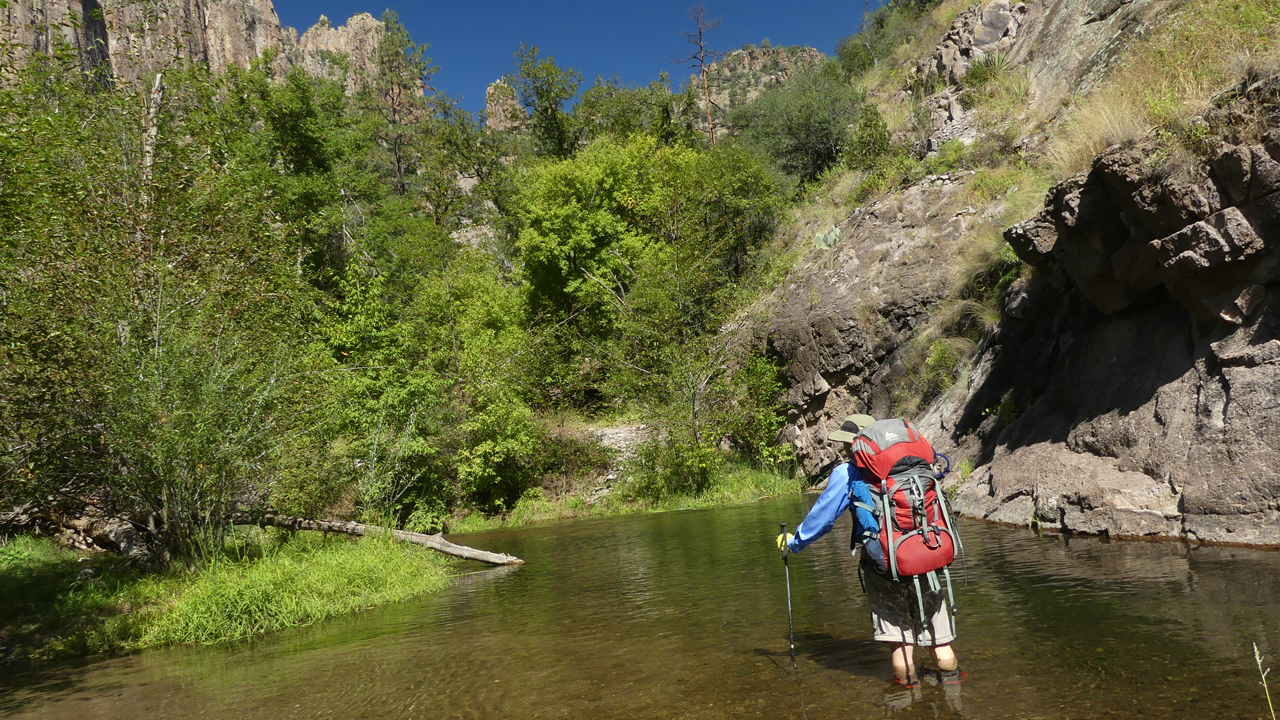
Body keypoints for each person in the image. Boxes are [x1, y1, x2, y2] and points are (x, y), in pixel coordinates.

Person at [776, 413, 961, 689]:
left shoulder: (849, 472)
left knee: (900, 640)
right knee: (939, 636)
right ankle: (953, 687)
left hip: (886, 566)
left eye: (846, 443)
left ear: (857, 442)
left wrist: (793, 542)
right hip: (928, 551)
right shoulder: (910, 463)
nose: (844, 449)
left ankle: (906, 695)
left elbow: (823, 519)